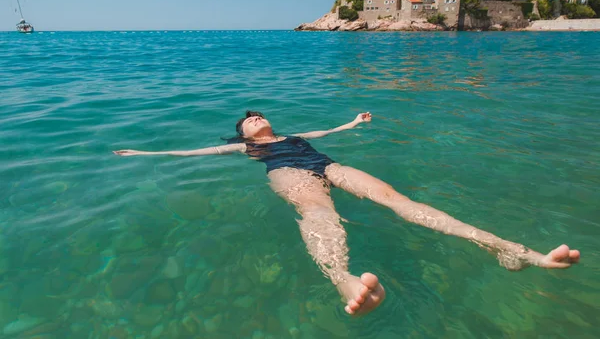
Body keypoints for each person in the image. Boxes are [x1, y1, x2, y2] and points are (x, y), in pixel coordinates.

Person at [114, 111, 580, 316]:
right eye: (248, 119)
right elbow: (194, 153)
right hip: (289, 175)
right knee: (320, 217)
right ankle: (346, 281)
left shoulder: (294, 133)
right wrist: (141, 153)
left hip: (327, 164)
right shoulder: (243, 148)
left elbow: (332, 128)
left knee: (400, 202)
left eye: (258, 114)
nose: (255, 117)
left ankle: (516, 251)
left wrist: (354, 123)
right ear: (242, 132)